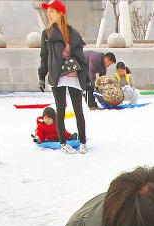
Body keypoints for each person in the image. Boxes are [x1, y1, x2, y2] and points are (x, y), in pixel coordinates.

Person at [38, 0, 89, 154]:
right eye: (48, 12)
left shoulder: (72, 33)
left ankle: (83, 141)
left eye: (51, 12)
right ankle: (62, 143)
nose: (49, 15)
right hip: (57, 75)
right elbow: (44, 56)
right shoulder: (47, 34)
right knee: (60, 110)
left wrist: (86, 79)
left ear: (60, 13)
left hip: (74, 75)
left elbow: (81, 57)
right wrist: (42, 75)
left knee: (78, 110)